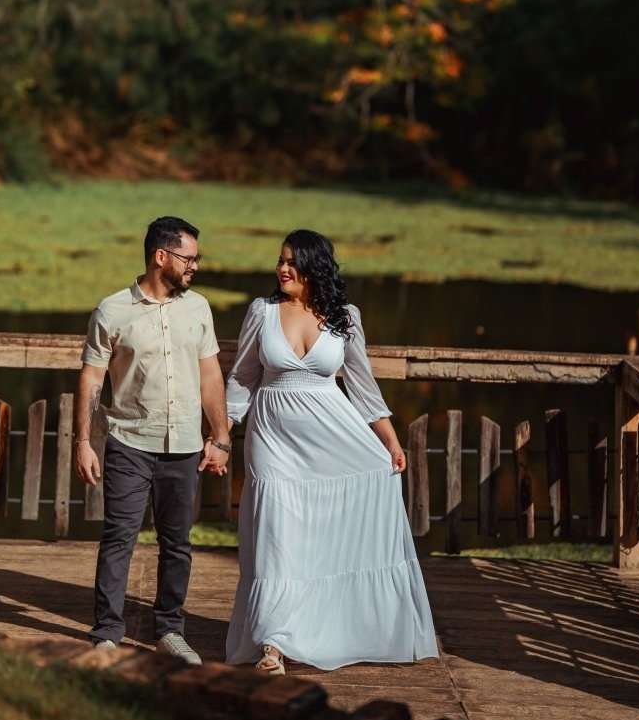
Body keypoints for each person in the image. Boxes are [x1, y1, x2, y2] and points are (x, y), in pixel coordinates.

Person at [224, 229, 438, 673]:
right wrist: (222, 435)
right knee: (276, 533)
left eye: (292, 262)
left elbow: (362, 386)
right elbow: (243, 378)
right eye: (281, 260)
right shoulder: (262, 311)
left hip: (331, 433)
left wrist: (390, 442)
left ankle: (331, 627)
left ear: (313, 267)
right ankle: (272, 643)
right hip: (273, 437)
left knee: (319, 534)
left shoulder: (345, 317)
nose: (283, 269)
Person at [74, 215, 231, 665]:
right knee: (118, 537)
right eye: (188, 258)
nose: (195, 266)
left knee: (177, 544)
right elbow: (92, 377)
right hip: (129, 443)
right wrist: (83, 440)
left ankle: (170, 631)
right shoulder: (111, 310)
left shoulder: (198, 308)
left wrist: (220, 437)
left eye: (196, 258)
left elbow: (210, 375)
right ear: (161, 256)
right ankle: (107, 633)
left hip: (184, 446)